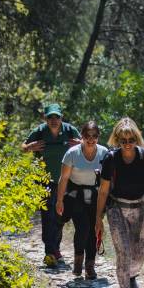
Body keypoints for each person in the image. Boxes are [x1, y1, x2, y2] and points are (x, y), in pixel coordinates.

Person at [95, 117, 144, 288]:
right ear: (117, 140)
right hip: (116, 208)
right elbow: (103, 190)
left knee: (139, 254)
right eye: (123, 141)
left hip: (141, 208)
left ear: (136, 139)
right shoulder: (111, 159)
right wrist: (98, 218)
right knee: (123, 252)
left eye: (131, 140)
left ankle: (132, 276)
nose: (127, 144)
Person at [22, 103, 81, 267]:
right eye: (50, 117)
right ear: (45, 118)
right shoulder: (40, 131)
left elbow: (87, 145)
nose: (54, 120)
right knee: (47, 215)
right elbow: (23, 147)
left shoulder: (69, 130)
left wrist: (80, 145)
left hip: (66, 180)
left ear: (62, 117)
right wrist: (30, 147)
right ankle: (50, 252)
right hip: (44, 180)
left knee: (61, 215)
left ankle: (55, 248)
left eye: (57, 117)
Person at [56, 121, 108, 279]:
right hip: (75, 196)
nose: (91, 139)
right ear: (82, 136)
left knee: (94, 230)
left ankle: (90, 266)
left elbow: (109, 180)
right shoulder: (72, 153)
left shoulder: (104, 153)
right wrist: (59, 200)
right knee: (83, 227)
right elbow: (63, 179)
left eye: (94, 136)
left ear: (98, 137)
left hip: (95, 197)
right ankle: (78, 260)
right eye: (87, 136)